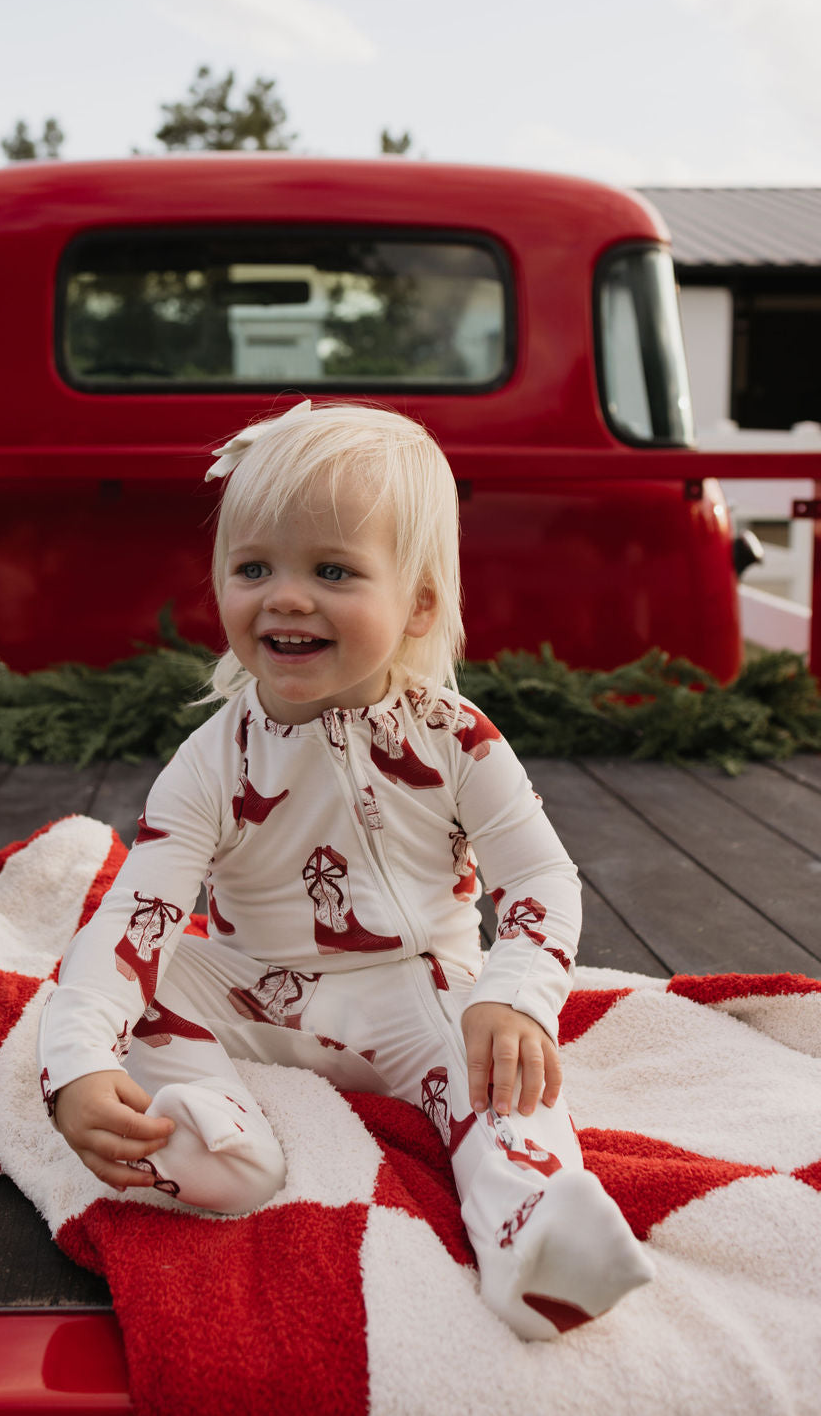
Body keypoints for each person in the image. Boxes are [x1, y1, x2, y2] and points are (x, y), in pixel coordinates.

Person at [37, 400, 653, 1340]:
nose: (285, 596)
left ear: (417, 603)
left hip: (416, 992)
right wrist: (77, 1063)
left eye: (332, 570)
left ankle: (535, 1239)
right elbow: (136, 915)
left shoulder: (456, 737)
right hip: (252, 989)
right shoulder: (214, 757)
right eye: (254, 569)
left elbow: (541, 880)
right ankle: (206, 1141)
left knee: (502, 1076)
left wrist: (519, 993)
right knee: (152, 976)